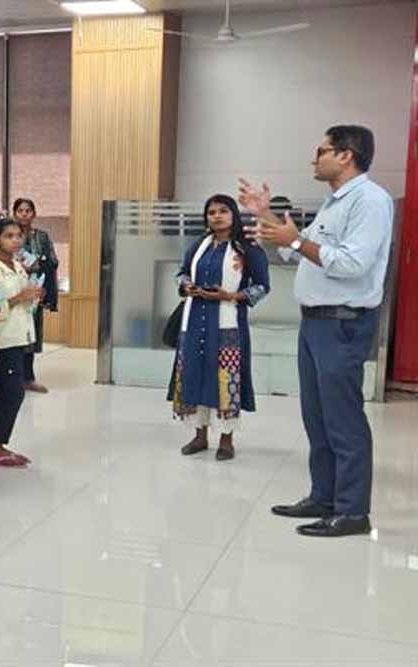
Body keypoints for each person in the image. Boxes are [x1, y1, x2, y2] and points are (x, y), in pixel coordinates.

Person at [240, 124, 394, 538]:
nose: (315, 157)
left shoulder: (370, 201)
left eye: (322, 150)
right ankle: (324, 497)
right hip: (315, 324)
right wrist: (265, 216)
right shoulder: (335, 202)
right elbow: (298, 251)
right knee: (317, 417)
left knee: (343, 419)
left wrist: (295, 242)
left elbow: (351, 264)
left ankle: (352, 511)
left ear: (346, 155)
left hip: (343, 323)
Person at [168, 195, 270, 461]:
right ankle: (199, 436)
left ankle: (226, 440)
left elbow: (262, 286)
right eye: (211, 212)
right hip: (193, 322)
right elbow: (181, 273)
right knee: (195, 375)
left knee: (225, 379)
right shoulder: (198, 245)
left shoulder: (247, 248)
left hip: (227, 325)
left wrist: (230, 296)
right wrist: (187, 285)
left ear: (234, 214)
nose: (217, 216)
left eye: (223, 211)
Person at [0, 218, 42, 468]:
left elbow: (23, 300)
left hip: (20, 333)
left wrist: (33, 295)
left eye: (18, 235)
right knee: (10, 391)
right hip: (3, 336)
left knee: (12, 391)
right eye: (9, 236)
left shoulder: (17, 266)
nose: (16, 240)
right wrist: (18, 297)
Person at [12, 198, 58, 394]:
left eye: (28, 210)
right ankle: (14, 379)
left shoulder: (42, 236)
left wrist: (39, 269)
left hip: (36, 289)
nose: (24, 214)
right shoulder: (9, 234)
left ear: (34, 214)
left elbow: (52, 261)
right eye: (20, 210)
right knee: (15, 334)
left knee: (32, 334)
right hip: (14, 289)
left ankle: (28, 378)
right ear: (14, 214)